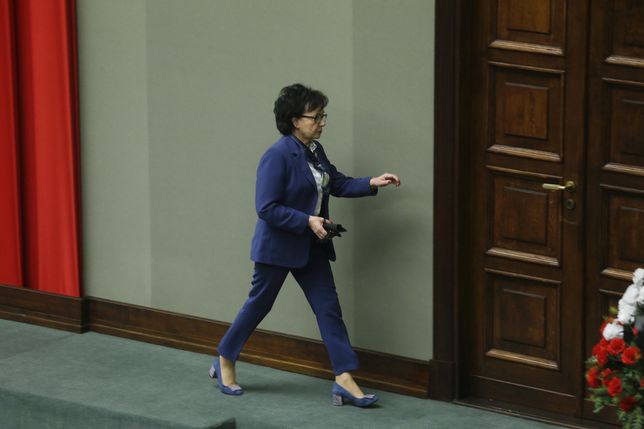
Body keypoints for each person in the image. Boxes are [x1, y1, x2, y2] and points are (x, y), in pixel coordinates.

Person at [209, 83, 400, 407]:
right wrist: (306, 220)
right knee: (259, 305)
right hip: (278, 247)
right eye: (316, 117)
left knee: (328, 309)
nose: (322, 122)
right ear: (295, 120)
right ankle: (225, 358)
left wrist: (372, 182)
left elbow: (336, 183)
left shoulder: (315, 150)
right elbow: (266, 207)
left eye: (324, 116)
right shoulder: (277, 155)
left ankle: (344, 378)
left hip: (313, 245)